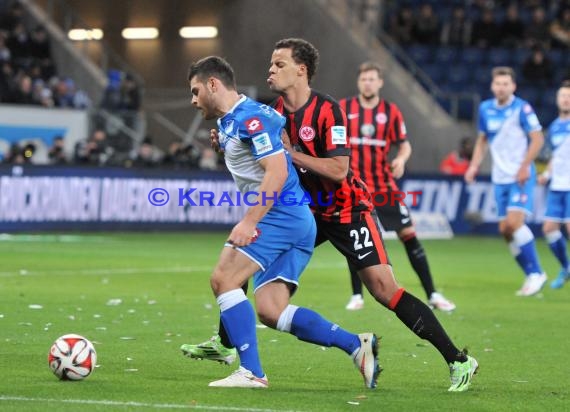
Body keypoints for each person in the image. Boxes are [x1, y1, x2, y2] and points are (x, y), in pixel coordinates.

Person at [182, 40, 478, 392]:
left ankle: (458, 360)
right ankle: (227, 343)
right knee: (251, 277)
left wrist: (291, 155)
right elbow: (250, 139)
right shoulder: (273, 110)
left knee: (385, 290)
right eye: (271, 64)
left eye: (279, 64)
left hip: (346, 209)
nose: (270, 70)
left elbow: (339, 170)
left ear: (301, 70)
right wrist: (227, 139)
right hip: (306, 210)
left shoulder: (327, 110)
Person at [186, 55, 380, 389]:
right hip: (297, 219)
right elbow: (256, 156)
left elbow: (276, 173)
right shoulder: (234, 120)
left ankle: (252, 372)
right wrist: (226, 146)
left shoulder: (251, 118)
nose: (192, 99)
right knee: (271, 310)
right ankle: (356, 345)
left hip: (281, 215)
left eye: (195, 90)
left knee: (223, 279)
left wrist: (249, 222)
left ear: (213, 84)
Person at [338, 62, 456, 312]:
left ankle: (433, 294)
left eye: (372, 79)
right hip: (355, 187)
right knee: (357, 239)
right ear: (359, 82)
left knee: (409, 235)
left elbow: (404, 144)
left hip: (384, 187)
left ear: (380, 82)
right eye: (364, 79)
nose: (367, 83)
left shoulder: (390, 112)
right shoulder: (344, 109)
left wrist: (401, 159)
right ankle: (356, 296)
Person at [465, 66, 547, 296]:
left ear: (513, 86)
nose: (501, 88)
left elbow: (538, 139)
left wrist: (524, 166)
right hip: (499, 177)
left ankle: (537, 273)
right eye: (497, 84)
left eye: (505, 84)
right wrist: (473, 166)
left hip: (520, 175)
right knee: (505, 230)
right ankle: (530, 273)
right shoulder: (485, 109)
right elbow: (482, 141)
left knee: (514, 223)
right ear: (492, 86)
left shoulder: (522, 108)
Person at [537, 81, 570, 289]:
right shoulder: (555, 126)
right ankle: (566, 267)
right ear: (557, 100)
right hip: (557, 185)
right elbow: (554, 157)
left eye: (569, 96)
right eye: (563, 96)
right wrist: (547, 173)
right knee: (549, 228)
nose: (565, 99)